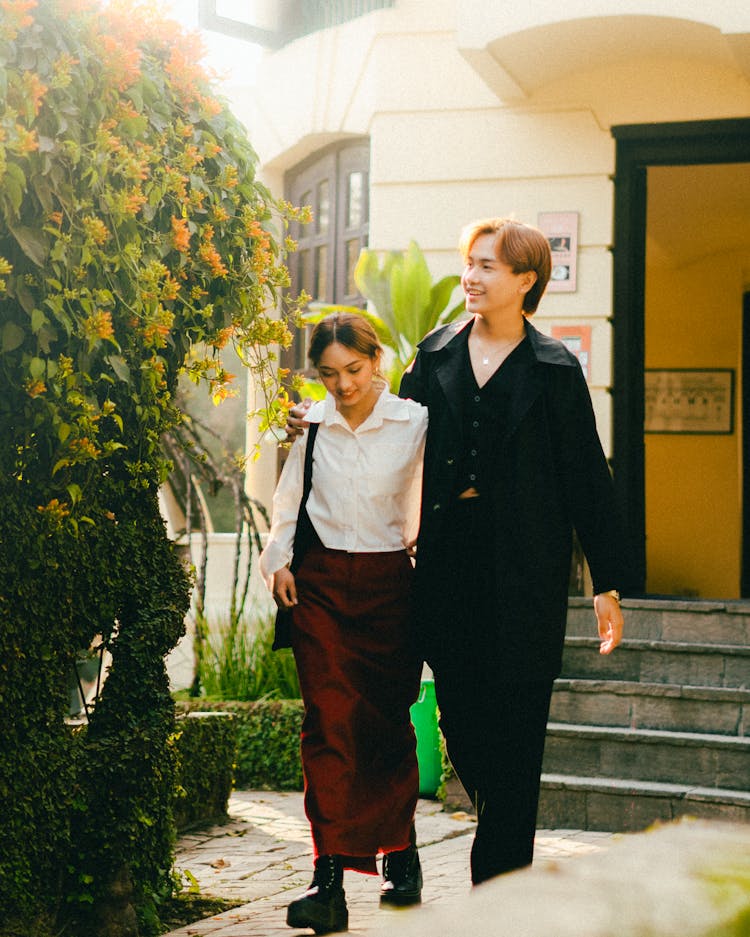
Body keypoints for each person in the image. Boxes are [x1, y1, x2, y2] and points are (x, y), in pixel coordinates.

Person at [288, 218, 629, 888]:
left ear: (527, 281)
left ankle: (497, 888)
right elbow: (386, 434)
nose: (470, 277)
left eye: (488, 267)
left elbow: (588, 478)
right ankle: (502, 842)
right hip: (446, 570)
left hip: (527, 575)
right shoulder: (435, 355)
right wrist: (321, 417)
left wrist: (606, 582)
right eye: (469, 264)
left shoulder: (555, 371)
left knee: (519, 734)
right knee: (465, 727)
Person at [260, 312, 428, 934]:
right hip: (322, 587)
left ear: (376, 358)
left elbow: (429, 501)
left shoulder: (413, 422)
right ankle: (326, 875)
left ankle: (400, 852)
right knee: (329, 720)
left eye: (353, 371)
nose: (344, 386)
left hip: (390, 586)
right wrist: (278, 560)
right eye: (329, 375)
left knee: (385, 719)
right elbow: (288, 500)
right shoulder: (311, 422)